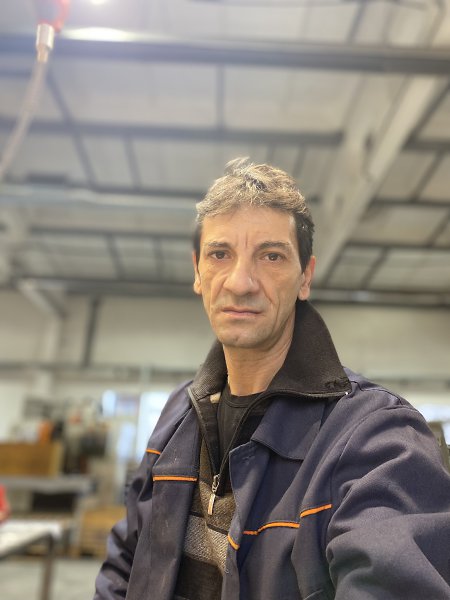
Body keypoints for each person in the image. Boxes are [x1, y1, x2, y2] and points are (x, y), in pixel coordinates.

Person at [94, 158, 450, 600]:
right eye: (220, 254)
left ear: (305, 278)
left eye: (271, 256)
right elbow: (125, 566)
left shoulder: (376, 437)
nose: (241, 282)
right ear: (197, 272)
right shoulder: (175, 418)